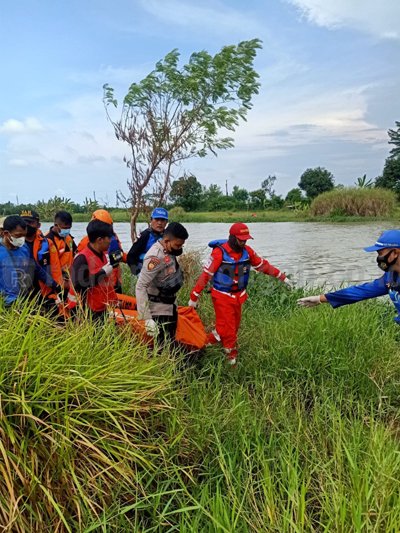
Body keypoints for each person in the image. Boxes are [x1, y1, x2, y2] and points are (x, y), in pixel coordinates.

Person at [188, 223, 294, 367]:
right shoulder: (219, 253)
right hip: (222, 297)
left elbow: (263, 265)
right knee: (230, 330)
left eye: (245, 240)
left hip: (239, 297)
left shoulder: (247, 251)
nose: (243, 242)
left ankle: (199, 344)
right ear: (232, 237)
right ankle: (231, 361)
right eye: (240, 240)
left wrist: (282, 277)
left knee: (228, 328)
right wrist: (194, 296)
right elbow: (206, 275)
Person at [297, 230, 400, 325]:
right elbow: (360, 291)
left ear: (395, 253)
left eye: (380, 253)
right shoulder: (390, 277)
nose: (379, 259)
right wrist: (320, 299)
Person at [136, 221, 188, 344]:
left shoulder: (169, 251)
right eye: (178, 245)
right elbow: (140, 286)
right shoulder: (154, 257)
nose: (180, 249)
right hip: (159, 310)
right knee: (162, 348)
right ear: (166, 241)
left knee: (170, 343)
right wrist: (147, 318)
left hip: (170, 306)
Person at [67, 219, 118, 323]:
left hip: (102, 307)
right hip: (87, 311)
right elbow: (78, 285)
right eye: (109, 238)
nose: (111, 241)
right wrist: (102, 273)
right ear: (100, 240)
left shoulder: (102, 254)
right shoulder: (82, 258)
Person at [0, 216, 57, 307]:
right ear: (5, 233)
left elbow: (37, 270)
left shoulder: (25, 248)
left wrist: (55, 285)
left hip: (24, 300)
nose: (22, 239)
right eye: (18, 235)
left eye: (24, 235)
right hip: (6, 304)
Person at [77, 209, 126, 293]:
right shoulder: (86, 242)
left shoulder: (114, 237)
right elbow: (78, 266)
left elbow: (119, 253)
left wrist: (133, 259)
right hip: (98, 284)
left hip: (115, 281)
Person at [20, 209, 63, 304]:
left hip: (45, 290)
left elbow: (55, 268)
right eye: (24, 222)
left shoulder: (47, 243)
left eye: (30, 222)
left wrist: (58, 289)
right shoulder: (15, 244)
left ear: (38, 225)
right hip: (23, 292)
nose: (26, 225)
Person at [127, 208, 169, 276]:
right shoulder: (145, 235)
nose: (159, 223)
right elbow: (130, 256)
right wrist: (137, 272)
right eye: (157, 219)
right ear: (151, 220)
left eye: (162, 220)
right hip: (146, 273)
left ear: (166, 222)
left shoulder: (168, 236)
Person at [46, 211, 77, 290]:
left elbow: (76, 252)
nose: (67, 231)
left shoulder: (68, 237)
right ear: (56, 225)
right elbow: (49, 267)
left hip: (70, 278)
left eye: (69, 228)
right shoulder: (48, 240)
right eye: (65, 228)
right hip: (58, 281)